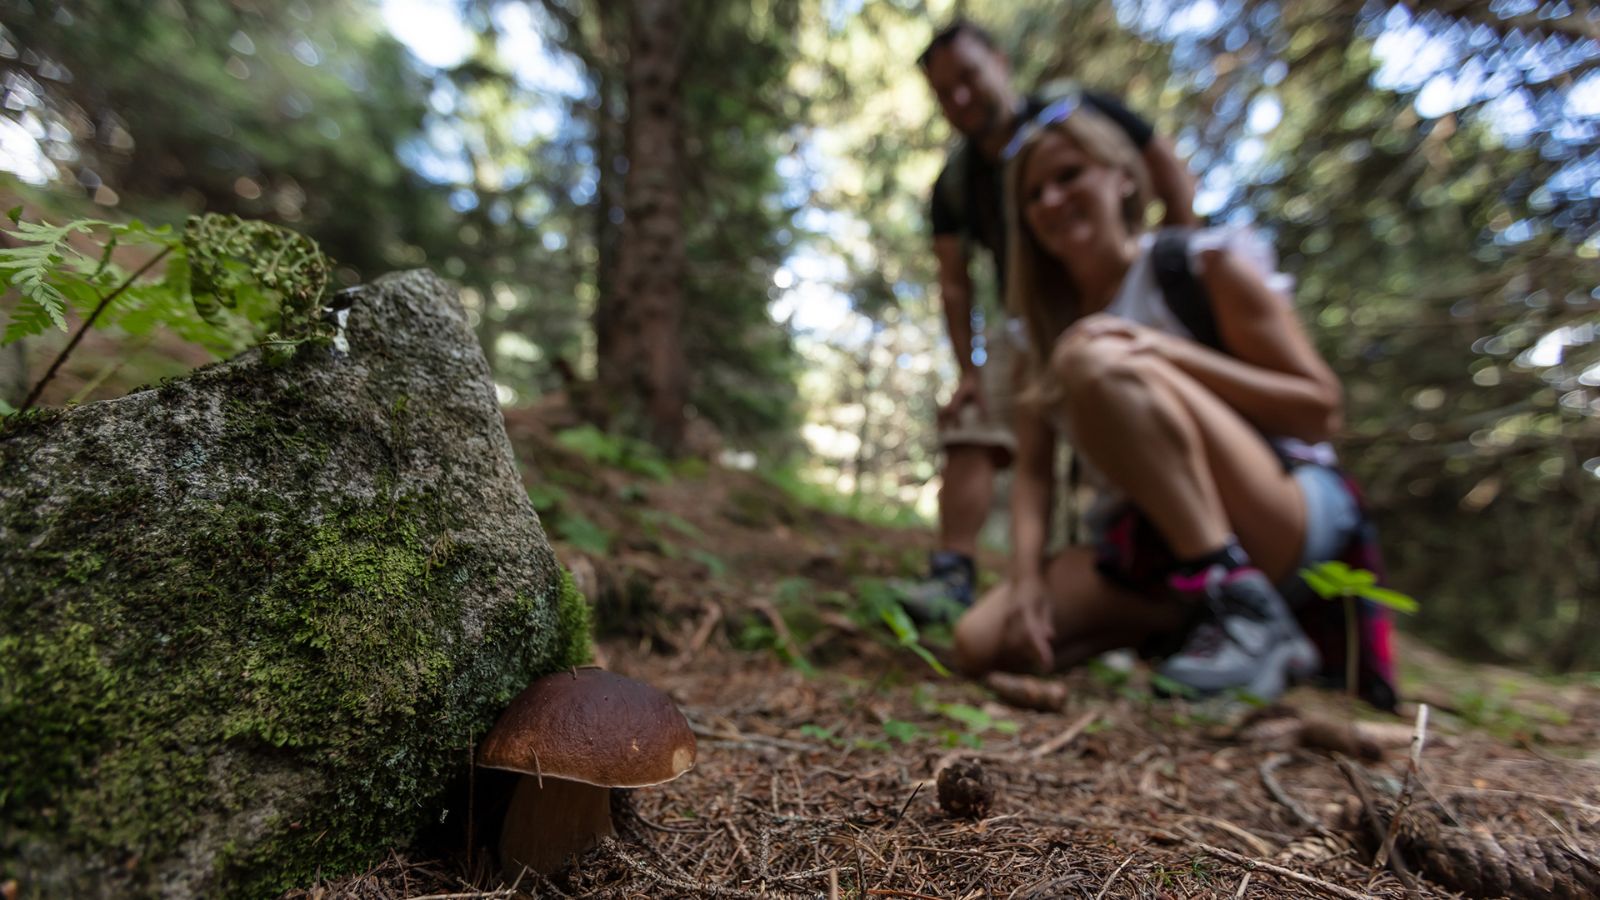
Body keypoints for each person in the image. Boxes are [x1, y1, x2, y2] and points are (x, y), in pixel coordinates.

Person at [951, 99, 1363, 701]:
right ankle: (1191, 623)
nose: (1051, 201)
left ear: (1123, 177)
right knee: (983, 641)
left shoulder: (1199, 266)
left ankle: (1240, 600)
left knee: (1089, 356)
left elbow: (1321, 411)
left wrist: (1163, 353)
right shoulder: (1033, 335)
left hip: (1276, 510)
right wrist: (1027, 578)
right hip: (1147, 546)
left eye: (1069, 175)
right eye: (1033, 195)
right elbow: (1034, 476)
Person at [899, 19, 1198, 623]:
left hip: (1119, 296)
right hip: (1027, 318)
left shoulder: (1077, 113)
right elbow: (954, 283)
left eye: (968, 77)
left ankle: (1187, 571)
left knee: (1127, 419)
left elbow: (1166, 168)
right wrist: (968, 371)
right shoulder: (955, 182)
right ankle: (957, 572)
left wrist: (1172, 275)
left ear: (999, 63)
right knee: (977, 419)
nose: (961, 97)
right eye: (945, 93)